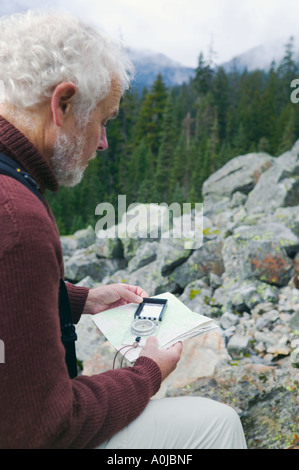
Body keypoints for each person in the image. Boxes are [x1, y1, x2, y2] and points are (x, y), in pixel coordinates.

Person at [0, 10, 247, 449]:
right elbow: (47, 428)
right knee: (217, 423)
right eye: (105, 119)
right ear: (63, 103)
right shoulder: (18, 219)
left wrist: (78, 299)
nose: (103, 142)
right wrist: (146, 372)